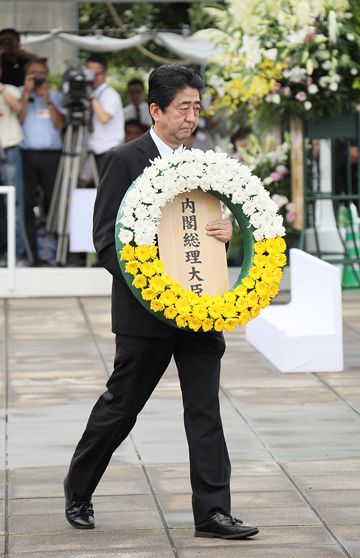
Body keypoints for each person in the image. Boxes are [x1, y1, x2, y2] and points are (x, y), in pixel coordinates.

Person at [64, 64, 259, 541]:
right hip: (144, 314)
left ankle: (213, 513)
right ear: (156, 110)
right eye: (182, 109)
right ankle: (79, 486)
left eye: (196, 108)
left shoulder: (205, 166)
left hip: (199, 311)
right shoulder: (123, 160)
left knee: (204, 410)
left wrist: (228, 231)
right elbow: (106, 243)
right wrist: (154, 286)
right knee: (121, 407)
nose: (192, 118)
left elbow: (215, 228)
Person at [18, 58, 66, 265]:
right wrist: (26, 94)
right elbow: (17, 119)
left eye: (41, 73)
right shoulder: (18, 93)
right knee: (27, 203)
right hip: (26, 155)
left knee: (53, 202)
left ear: (46, 75)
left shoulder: (55, 95)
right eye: (33, 73)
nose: (37, 77)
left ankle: (53, 252)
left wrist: (48, 100)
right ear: (26, 76)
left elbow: (60, 124)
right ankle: (30, 253)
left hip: (51, 156)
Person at [0, 72, 29, 265]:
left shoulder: (9, 89)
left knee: (15, 204)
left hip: (9, 150)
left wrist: (1, 89)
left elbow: (17, 108)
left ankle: (19, 253)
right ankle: (4, 251)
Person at [86, 53, 124, 175]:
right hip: (96, 149)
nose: (93, 78)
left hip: (109, 150)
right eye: (89, 73)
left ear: (105, 73)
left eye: (96, 74)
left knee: (109, 190)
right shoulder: (94, 94)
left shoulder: (110, 94)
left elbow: (104, 118)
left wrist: (90, 97)